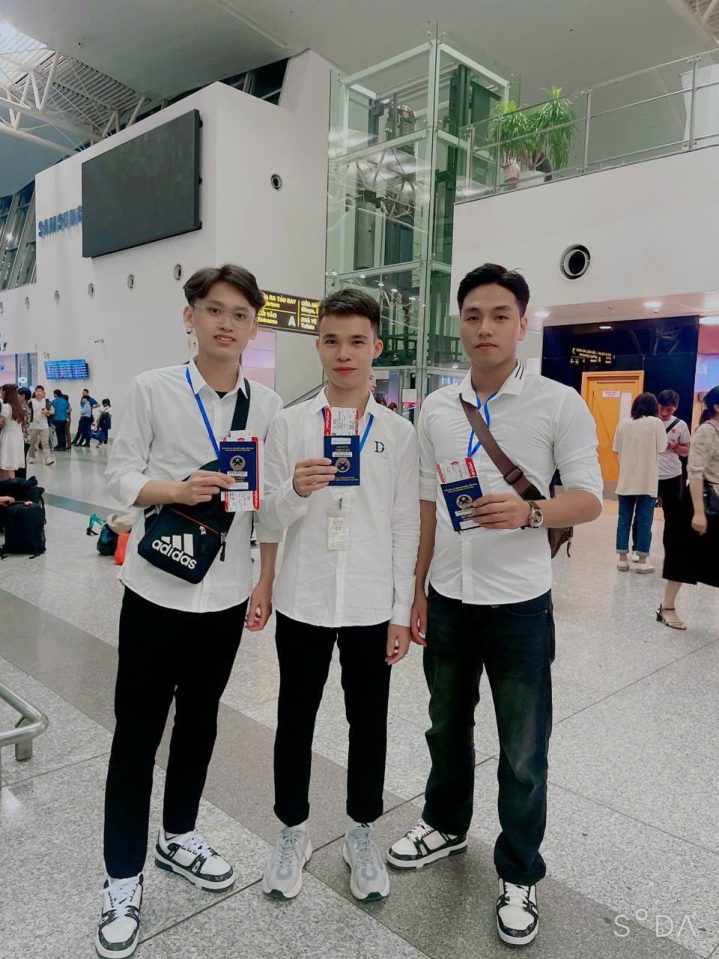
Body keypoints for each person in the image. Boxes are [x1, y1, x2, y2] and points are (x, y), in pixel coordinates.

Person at [387, 263, 603, 948]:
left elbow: (589, 499)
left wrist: (529, 511)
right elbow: (425, 505)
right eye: (473, 315)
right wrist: (415, 591)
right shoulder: (436, 408)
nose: (485, 327)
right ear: (459, 322)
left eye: (500, 315)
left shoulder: (557, 403)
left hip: (518, 608)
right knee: (445, 726)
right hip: (449, 599)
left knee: (522, 749)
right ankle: (445, 824)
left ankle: (518, 870)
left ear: (522, 323)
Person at [97, 264, 283, 959]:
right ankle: (121, 877)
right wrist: (176, 488)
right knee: (137, 733)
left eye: (239, 313)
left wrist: (265, 580)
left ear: (253, 326)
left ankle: (178, 835)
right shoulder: (153, 389)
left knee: (201, 721)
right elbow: (118, 475)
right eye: (213, 310)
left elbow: (264, 503)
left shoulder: (266, 406)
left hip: (226, 592)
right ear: (190, 317)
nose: (225, 323)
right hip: (156, 589)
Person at [260, 288, 419, 904]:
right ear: (318, 346)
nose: (344, 353)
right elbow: (267, 518)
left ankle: (361, 832)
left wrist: (400, 613)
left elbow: (405, 525)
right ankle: (292, 830)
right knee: (294, 718)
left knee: (368, 723)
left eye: (357, 341)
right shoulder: (290, 424)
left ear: (376, 347)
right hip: (304, 598)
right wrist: (295, 491)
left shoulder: (398, 433)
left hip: (370, 606)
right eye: (331, 341)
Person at [658, 384, 719, 629]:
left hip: (716, 500)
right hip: (701, 501)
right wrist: (699, 513)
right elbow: (694, 472)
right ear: (716, 406)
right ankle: (667, 607)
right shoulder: (707, 431)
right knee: (684, 555)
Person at [613, 393, 667, 573]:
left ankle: (622, 560)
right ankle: (642, 560)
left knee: (623, 520)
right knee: (644, 521)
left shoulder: (623, 423)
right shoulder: (656, 423)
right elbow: (662, 447)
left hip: (626, 480)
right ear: (654, 407)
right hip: (647, 480)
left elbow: (616, 449)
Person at [0, 384, 26, 479]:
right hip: (17, 439)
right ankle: (10, 486)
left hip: (7, 439)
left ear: (5, 393)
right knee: (10, 467)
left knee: (6, 466)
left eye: (1, 392)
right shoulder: (18, 407)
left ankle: (10, 487)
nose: (1, 394)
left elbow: (1, 424)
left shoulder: (5, 407)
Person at [27, 385, 54, 466]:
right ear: (34, 393)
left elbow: (53, 410)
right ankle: (31, 457)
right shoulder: (30, 401)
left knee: (45, 443)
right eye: (37, 391)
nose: (38, 393)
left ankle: (48, 458)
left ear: (43, 393)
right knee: (32, 443)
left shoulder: (46, 401)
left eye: (40, 391)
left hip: (44, 426)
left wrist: (47, 412)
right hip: (33, 425)